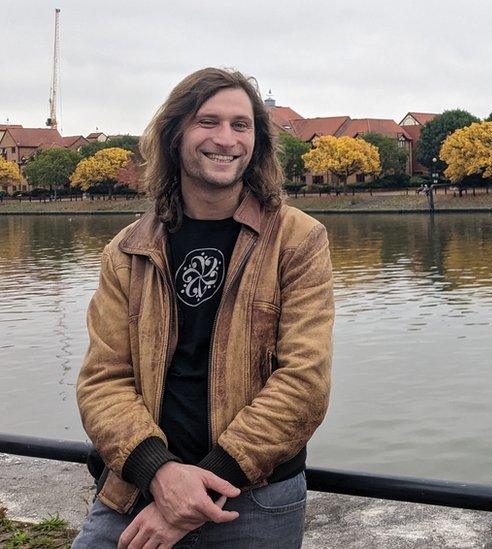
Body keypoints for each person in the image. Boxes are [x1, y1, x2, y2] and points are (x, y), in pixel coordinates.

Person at [72, 67, 334, 548]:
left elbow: (304, 381)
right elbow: (103, 380)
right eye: (207, 122)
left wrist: (199, 490)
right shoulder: (127, 250)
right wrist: (162, 474)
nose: (226, 139)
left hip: (252, 499)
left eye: (241, 125)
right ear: (175, 136)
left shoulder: (298, 239)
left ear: (257, 142)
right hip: (137, 489)